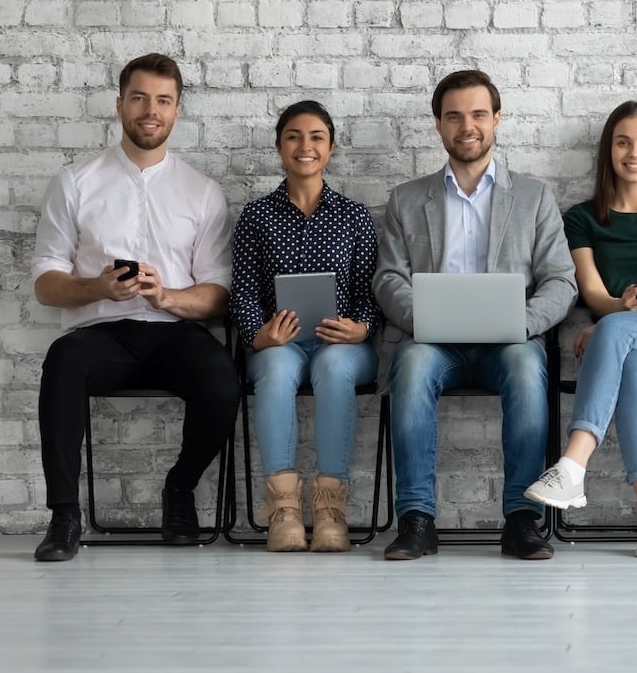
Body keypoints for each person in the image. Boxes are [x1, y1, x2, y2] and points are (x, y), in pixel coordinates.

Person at [30, 53, 239, 562]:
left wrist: (165, 296)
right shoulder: (76, 182)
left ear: (177, 110)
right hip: (104, 333)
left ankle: (179, 490)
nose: (151, 110)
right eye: (140, 98)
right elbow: (45, 283)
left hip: (175, 333)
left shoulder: (203, 193)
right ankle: (64, 515)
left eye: (163, 101)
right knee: (62, 362)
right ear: (120, 103)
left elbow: (218, 294)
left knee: (223, 380)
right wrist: (98, 287)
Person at [373, 70, 577, 561]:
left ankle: (522, 519)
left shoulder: (533, 197)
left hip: (509, 340)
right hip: (431, 339)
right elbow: (387, 279)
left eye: (479, 114)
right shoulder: (406, 199)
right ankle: (417, 519)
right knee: (415, 364)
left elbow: (561, 281)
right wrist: (423, 320)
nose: (468, 126)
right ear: (439, 125)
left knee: (528, 367)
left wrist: (520, 323)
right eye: (455, 116)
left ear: (497, 120)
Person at [524, 102, 637, 559]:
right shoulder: (581, 218)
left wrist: (619, 318)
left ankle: (573, 464)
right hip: (628, 344)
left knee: (614, 333)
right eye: (623, 142)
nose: (635, 153)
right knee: (633, 366)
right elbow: (591, 294)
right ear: (608, 151)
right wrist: (617, 309)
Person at [229, 101, 380, 553]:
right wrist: (259, 334)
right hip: (281, 344)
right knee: (274, 368)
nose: (305, 146)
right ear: (279, 147)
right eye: (293, 136)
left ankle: (331, 509)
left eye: (316, 137)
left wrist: (362, 327)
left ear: (331, 148)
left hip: (344, 345)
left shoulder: (354, 217)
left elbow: (371, 291)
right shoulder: (256, 217)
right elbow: (243, 290)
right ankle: (285, 512)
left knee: (334, 367)